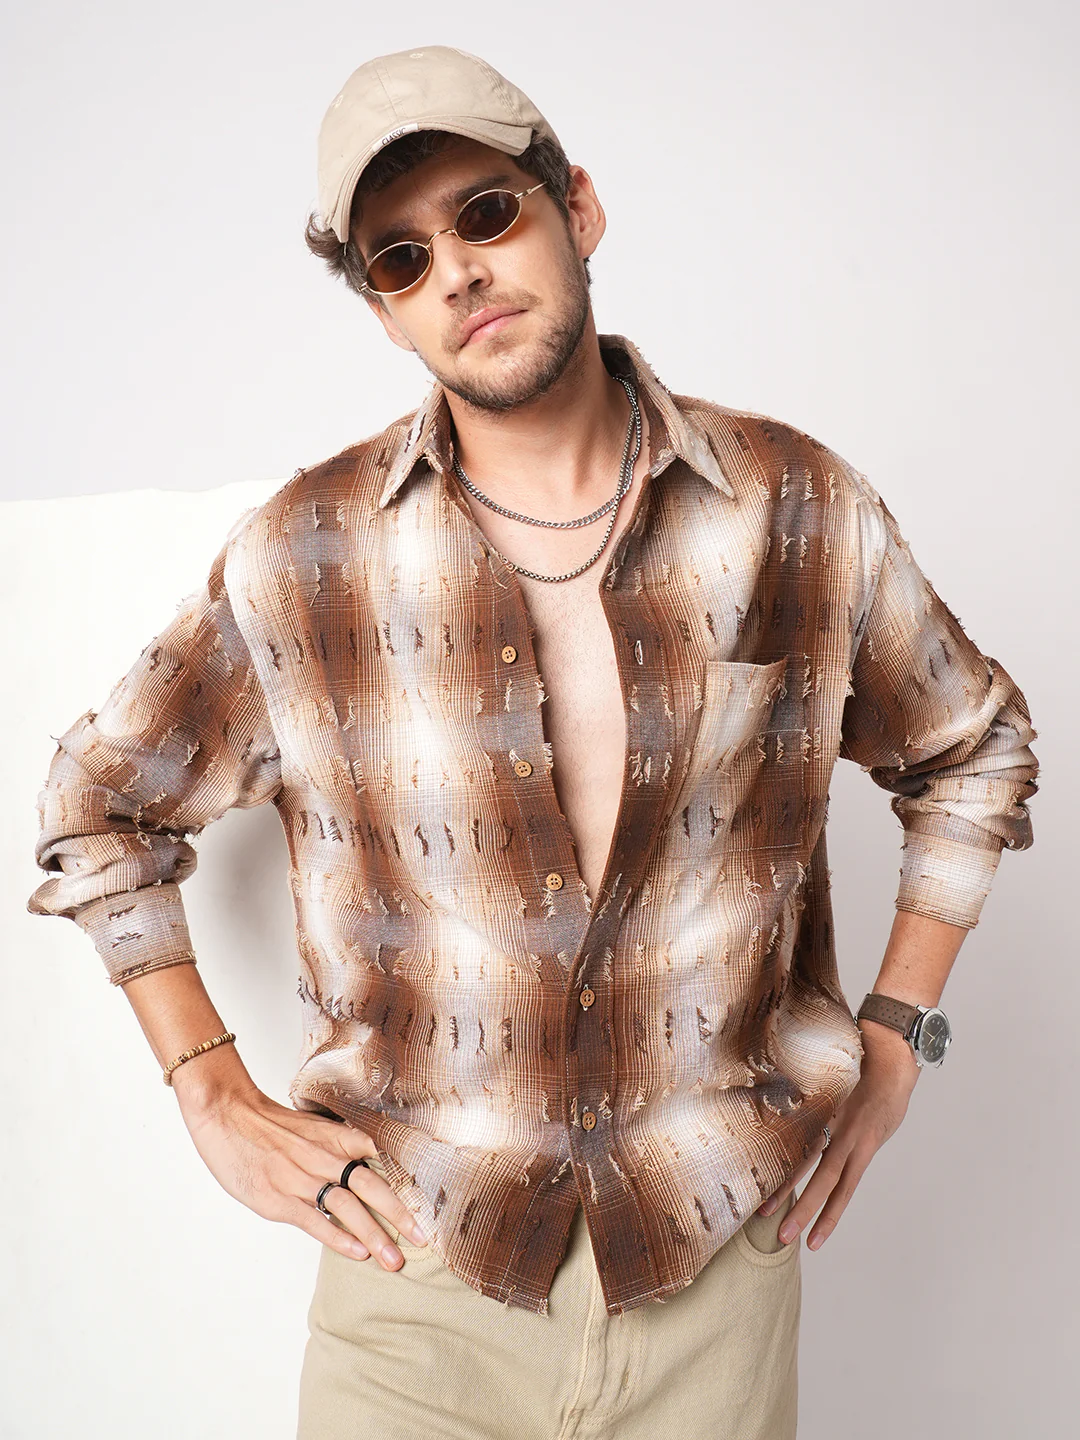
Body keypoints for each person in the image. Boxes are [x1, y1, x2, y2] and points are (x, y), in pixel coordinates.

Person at [27, 44, 1040, 1440]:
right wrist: (206, 1085)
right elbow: (100, 806)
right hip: (414, 1287)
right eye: (400, 259)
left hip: (715, 1273)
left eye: (487, 213)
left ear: (579, 208)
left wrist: (899, 1028)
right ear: (386, 312)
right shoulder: (310, 557)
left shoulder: (795, 508)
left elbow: (972, 749)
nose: (457, 272)